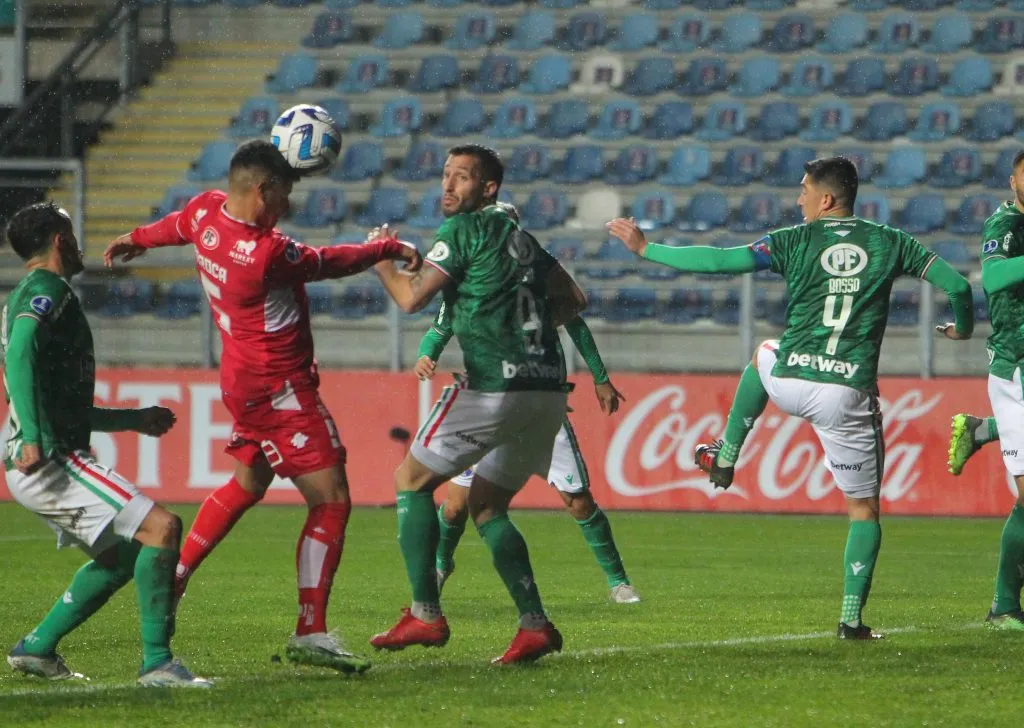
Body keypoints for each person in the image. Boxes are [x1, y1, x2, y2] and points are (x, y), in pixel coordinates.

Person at [608, 156, 975, 639]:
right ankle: (850, 620)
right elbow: (958, 285)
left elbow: (720, 260)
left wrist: (647, 249)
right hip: (846, 393)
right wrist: (961, 330)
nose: (798, 198)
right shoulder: (892, 242)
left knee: (762, 354)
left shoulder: (793, 240)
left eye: (804, 190)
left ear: (826, 199)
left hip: (793, 379)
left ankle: (727, 453)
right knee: (864, 512)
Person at [102, 140, 420, 673]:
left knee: (247, 483)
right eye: (284, 193)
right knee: (332, 499)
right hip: (281, 387)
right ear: (262, 189)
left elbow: (177, 223)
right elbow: (330, 262)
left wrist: (137, 238)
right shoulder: (266, 252)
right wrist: (385, 249)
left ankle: (175, 574)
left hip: (240, 380)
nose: (287, 205)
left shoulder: (206, 210)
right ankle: (310, 630)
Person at [367, 144, 587, 664]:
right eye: (445, 175)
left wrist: (379, 257)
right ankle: (534, 625)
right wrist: (520, 333)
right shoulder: (523, 240)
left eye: (461, 178)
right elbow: (574, 300)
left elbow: (411, 298)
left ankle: (424, 613)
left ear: (488, 188)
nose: (447, 186)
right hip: (547, 390)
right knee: (487, 506)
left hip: (495, 389)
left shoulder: (462, 231)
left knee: (411, 481)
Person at [3, 203, 210, 687]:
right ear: (59, 240)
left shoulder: (32, 294)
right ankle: (158, 664)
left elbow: (62, 403)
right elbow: (18, 354)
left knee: (121, 559)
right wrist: (32, 436)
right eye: (71, 234)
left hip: (45, 453)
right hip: (49, 460)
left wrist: (132, 419)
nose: (77, 244)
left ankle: (36, 649)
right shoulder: (46, 290)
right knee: (162, 528)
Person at [415, 210, 639, 604]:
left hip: (537, 400)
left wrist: (600, 378)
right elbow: (441, 324)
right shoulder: (471, 278)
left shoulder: (533, 278)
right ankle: (439, 566)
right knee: (455, 506)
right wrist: (426, 355)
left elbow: (575, 320)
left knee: (578, 499)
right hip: (489, 405)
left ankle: (619, 582)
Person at [946, 149, 1024, 630]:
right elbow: (994, 279)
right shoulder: (1005, 227)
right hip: (1017, 368)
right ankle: (1003, 604)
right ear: (1014, 180)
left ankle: (983, 432)